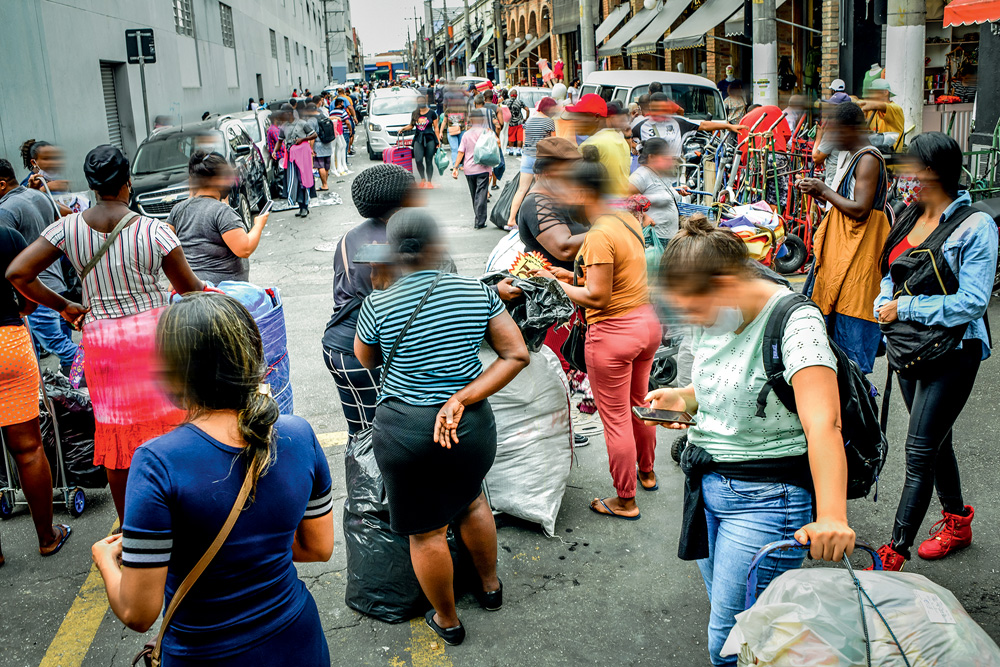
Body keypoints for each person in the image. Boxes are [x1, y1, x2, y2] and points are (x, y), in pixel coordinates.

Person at [648, 217, 855, 667]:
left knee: (727, 641)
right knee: (752, 631)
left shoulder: (795, 322)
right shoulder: (714, 314)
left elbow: (825, 425)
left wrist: (833, 516)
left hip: (768, 500)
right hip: (707, 489)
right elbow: (724, 387)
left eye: (696, 311)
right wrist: (684, 399)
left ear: (725, 284)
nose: (695, 324)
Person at [91, 293, 334, 666]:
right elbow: (318, 548)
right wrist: (253, 549)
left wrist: (106, 558)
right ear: (253, 355)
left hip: (204, 654)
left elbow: (138, 614)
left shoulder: (157, 463)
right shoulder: (299, 434)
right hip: (297, 641)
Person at [354, 209, 530, 646]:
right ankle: (491, 589)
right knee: (471, 502)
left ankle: (448, 621)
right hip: (470, 426)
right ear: (437, 247)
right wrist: (461, 398)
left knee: (426, 531)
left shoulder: (379, 302)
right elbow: (515, 355)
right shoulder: (476, 292)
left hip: (406, 432)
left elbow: (368, 360)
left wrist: (380, 289)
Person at [6, 145, 205, 525]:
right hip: (155, 339)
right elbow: (191, 290)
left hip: (104, 345)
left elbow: (18, 273)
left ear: (92, 186)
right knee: (173, 426)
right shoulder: (154, 231)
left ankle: (132, 526)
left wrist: (64, 305)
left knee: (116, 437)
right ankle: (183, 516)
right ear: (127, 183)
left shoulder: (67, 228)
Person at [871, 133, 999, 571]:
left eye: (913, 168)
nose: (905, 176)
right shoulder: (909, 213)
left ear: (937, 172)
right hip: (909, 347)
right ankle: (957, 521)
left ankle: (894, 553)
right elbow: (892, 269)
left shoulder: (975, 226)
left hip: (954, 350)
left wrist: (903, 306)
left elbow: (973, 302)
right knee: (936, 441)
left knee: (919, 450)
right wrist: (883, 300)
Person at [534, 151, 661, 519]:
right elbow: (613, 278)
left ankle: (626, 499)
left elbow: (597, 296)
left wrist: (551, 283)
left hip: (614, 333)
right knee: (640, 404)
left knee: (617, 417)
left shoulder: (598, 235)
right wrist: (569, 279)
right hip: (646, 325)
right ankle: (647, 474)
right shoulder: (625, 220)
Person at [795, 102, 890, 374]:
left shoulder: (869, 158)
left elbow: (860, 209)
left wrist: (823, 190)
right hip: (845, 256)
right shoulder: (857, 157)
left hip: (859, 257)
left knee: (851, 343)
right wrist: (820, 192)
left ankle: (858, 405)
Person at [322, 165, 417, 436]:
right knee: (384, 439)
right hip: (364, 352)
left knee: (360, 434)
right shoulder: (397, 243)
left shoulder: (350, 237)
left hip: (337, 347)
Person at [0, 224, 71, 566]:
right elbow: (25, 286)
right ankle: (47, 537)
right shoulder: (5, 233)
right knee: (28, 447)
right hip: (8, 342)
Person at [0, 159, 79, 374]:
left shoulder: (5, 212)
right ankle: (76, 389)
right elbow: (63, 219)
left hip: (35, 290)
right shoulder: (39, 196)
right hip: (57, 282)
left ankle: (94, 370)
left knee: (57, 345)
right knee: (55, 344)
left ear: (1, 184)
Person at [166, 152, 270, 284]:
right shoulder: (222, 213)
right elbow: (245, 248)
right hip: (223, 294)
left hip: (188, 288)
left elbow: (166, 246)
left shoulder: (178, 210)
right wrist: (258, 225)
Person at [506, 96, 558, 229]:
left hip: (527, 157)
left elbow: (524, 142)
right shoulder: (549, 122)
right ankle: (537, 221)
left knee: (522, 189)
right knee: (540, 190)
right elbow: (554, 142)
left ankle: (512, 219)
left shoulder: (528, 121)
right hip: (541, 159)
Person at [640, 93, 747, 158]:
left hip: (673, 173)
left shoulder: (678, 122)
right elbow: (627, 137)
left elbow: (704, 125)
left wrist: (729, 126)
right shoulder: (642, 125)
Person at [565, 95, 631, 196]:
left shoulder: (591, 144)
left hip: (602, 207)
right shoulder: (620, 139)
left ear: (596, 117)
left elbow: (577, 183)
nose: (575, 122)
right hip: (621, 203)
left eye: (579, 117)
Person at [629, 138, 681, 241]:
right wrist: (643, 216)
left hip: (670, 238)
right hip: (653, 239)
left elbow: (656, 192)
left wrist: (677, 190)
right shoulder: (640, 176)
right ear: (651, 157)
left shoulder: (661, 173)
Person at [451, 109, 494, 230]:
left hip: (469, 169)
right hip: (483, 167)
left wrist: (455, 167)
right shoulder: (487, 132)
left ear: (471, 120)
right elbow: (495, 147)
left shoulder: (466, 134)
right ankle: (479, 220)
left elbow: (460, 152)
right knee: (481, 194)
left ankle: (479, 218)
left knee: (474, 194)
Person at [281, 105, 318, 217]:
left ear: (290, 112)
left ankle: (305, 206)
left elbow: (314, 134)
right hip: (291, 158)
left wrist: (303, 139)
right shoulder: (284, 127)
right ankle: (300, 206)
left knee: (304, 181)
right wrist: (274, 151)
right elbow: (280, 140)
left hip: (302, 157)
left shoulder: (302, 123)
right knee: (294, 182)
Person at [399, 93, 439, 189]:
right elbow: (411, 126)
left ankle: (429, 181)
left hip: (430, 139)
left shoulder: (432, 113)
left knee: (429, 161)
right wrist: (403, 129)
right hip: (418, 139)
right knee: (418, 160)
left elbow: (436, 127)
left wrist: (438, 141)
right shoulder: (415, 113)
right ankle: (422, 179)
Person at [303, 102, 334, 191]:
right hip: (327, 142)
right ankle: (325, 183)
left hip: (318, 145)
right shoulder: (323, 115)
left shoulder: (311, 120)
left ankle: (324, 184)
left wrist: (311, 148)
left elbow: (312, 136)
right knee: (327, 165)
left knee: (320, 166)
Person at [441, 85, 469, 168]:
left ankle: (462, 164)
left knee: (462, 148)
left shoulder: (464, 109)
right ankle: (455, 165)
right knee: (454, 148)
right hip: (452, 131)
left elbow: (467, 119)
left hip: (462, 130)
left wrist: (468, 128)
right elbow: (444, 121)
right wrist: (441, 132)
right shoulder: (448, 110)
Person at [505, 89, 527, 156]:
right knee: (519, 138)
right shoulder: (519, 102)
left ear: (510, 95)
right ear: (516, 95)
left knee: (511, 137)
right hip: (519, 122)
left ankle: (511, 151)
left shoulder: (506, 102)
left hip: (511, 122)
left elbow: (500, 107)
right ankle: (518, 151)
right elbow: (527, 109)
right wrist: (526, 118)